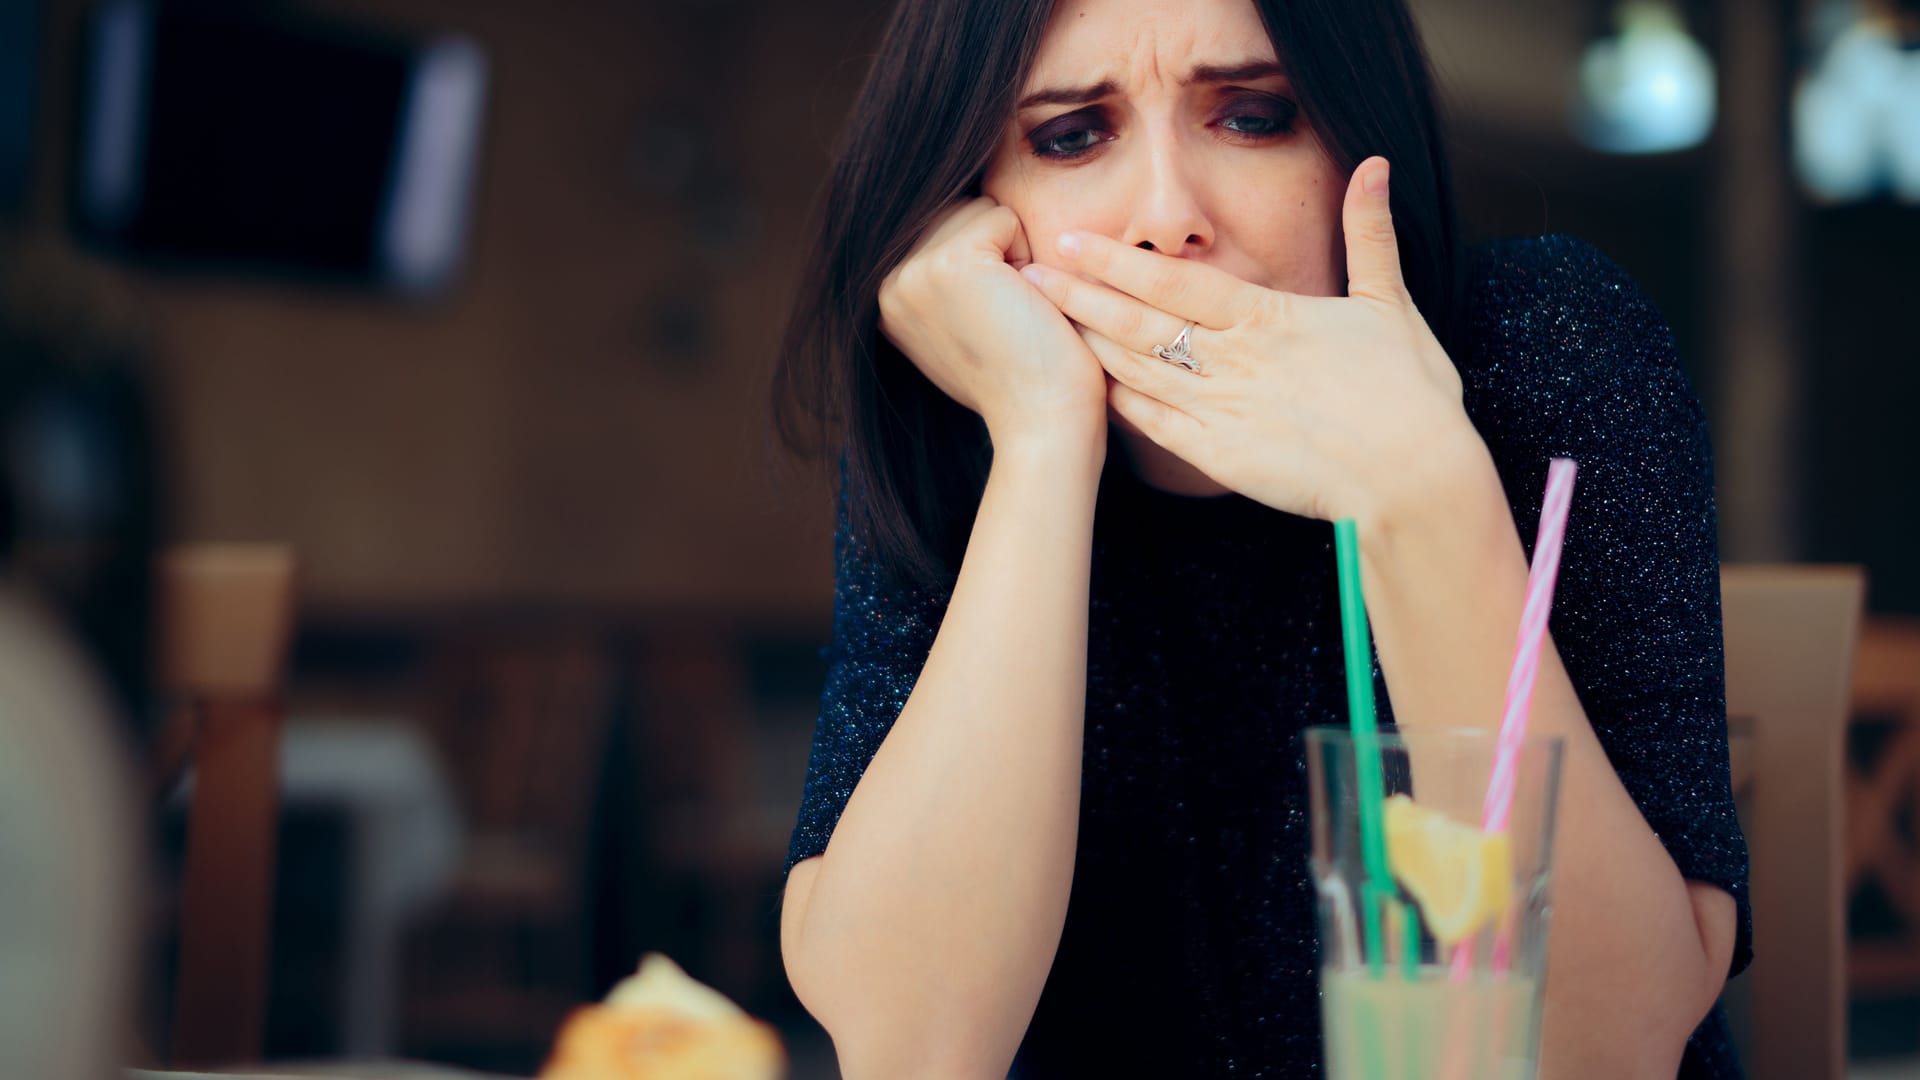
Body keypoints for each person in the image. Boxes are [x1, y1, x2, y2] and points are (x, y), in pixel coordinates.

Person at [772, 0, 1750, 1076]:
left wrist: (1421, 490)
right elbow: (911, 1050)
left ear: (1351, 143)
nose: (1166, 217)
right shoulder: (960, 418)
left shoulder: (1547, 346)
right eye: (1068, 136)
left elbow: (1613, 1052)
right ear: (979, 206)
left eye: (1250, 117)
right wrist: (1044, 439)